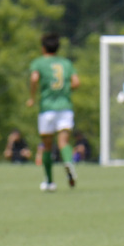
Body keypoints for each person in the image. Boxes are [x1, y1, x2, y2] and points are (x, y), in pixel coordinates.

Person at [27, 32, 80, 191]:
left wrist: (32, 96)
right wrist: (64, 90)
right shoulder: (66, 63)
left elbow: (34, 79)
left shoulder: (39, 63)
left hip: (47, 108)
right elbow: (76, 83)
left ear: (43, 48)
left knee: (47, 145)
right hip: (65, 107)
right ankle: (69, 164)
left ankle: (50, 182)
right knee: (63, 142)